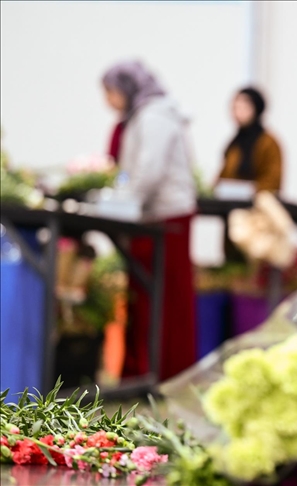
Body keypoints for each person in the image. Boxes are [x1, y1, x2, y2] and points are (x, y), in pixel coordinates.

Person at [102, 59, 197, 381]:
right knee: (146, 298)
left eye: (111, 92)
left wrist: (124, 205)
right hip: (153, 215)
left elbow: (149, 172)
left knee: (167, 298)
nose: (108, 100)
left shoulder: (154, 115)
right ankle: (143, 369)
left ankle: (167, 371)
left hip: (166, 217)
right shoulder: (142, 115)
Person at [217, 87, 283, 193]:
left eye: (243, 108)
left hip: (257, 200)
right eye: (235, 108)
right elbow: (223, 177)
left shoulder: (268, 143)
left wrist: (248, 191)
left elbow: (273, 181)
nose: (237, 113)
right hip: (230, 200)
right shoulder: (234, 144)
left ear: (255, 109)